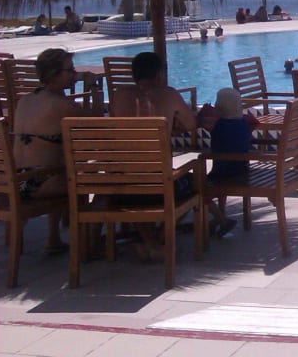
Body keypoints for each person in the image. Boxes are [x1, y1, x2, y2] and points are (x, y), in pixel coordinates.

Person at [107, 51, 199, 260]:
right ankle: (157, 240)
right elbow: (191, 125)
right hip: (160, 189)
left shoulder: (119, 95)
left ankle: (149, 242)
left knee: (137, 182)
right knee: (196, 182)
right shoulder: (169, 94)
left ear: (134, 75)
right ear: (159, 74)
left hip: (120, 188)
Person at [12, 48, 96, 253]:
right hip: (40, 183)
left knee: (58, 164)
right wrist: (94, 89)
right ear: (53, 74)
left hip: (17, 180)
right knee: (91, 179)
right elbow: (96, 124)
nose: (74, 74)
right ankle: (88, 244)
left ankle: (53, 238)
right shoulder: (60, 105)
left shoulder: (26, 99)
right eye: (70, 70)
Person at [202, 87, 251, 236]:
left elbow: (202, 124)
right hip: (241, 170)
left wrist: (204, 113)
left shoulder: (219, 125)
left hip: (222, 172)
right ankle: (220, 215)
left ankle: (221, 219)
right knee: (220, 181)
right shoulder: (244, 123)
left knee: (197, 190)